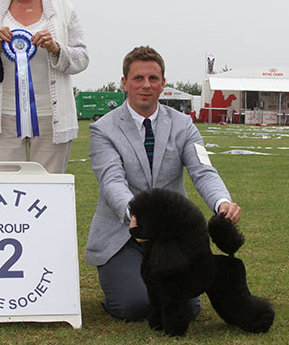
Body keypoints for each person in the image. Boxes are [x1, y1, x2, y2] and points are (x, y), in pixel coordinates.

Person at [86, 45, 241, 322]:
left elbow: (203, 170)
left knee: (188, 309)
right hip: (123, 234)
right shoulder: (103, 128)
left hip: (172, 238)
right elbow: (111, 181)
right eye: (138, 78)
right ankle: (121, 290)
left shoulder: (184, 125)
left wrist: (222, 202)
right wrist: (135, 216)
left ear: (163, 84)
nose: (146, 85)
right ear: (125, 83)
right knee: (133, 306)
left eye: (153, 79)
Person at [0, 0, 89, 173]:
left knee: (48, 193)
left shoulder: (61, 5)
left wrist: (56, 49)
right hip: (1, 120)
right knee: (2, 195)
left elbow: (82, 58)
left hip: (52, 122)